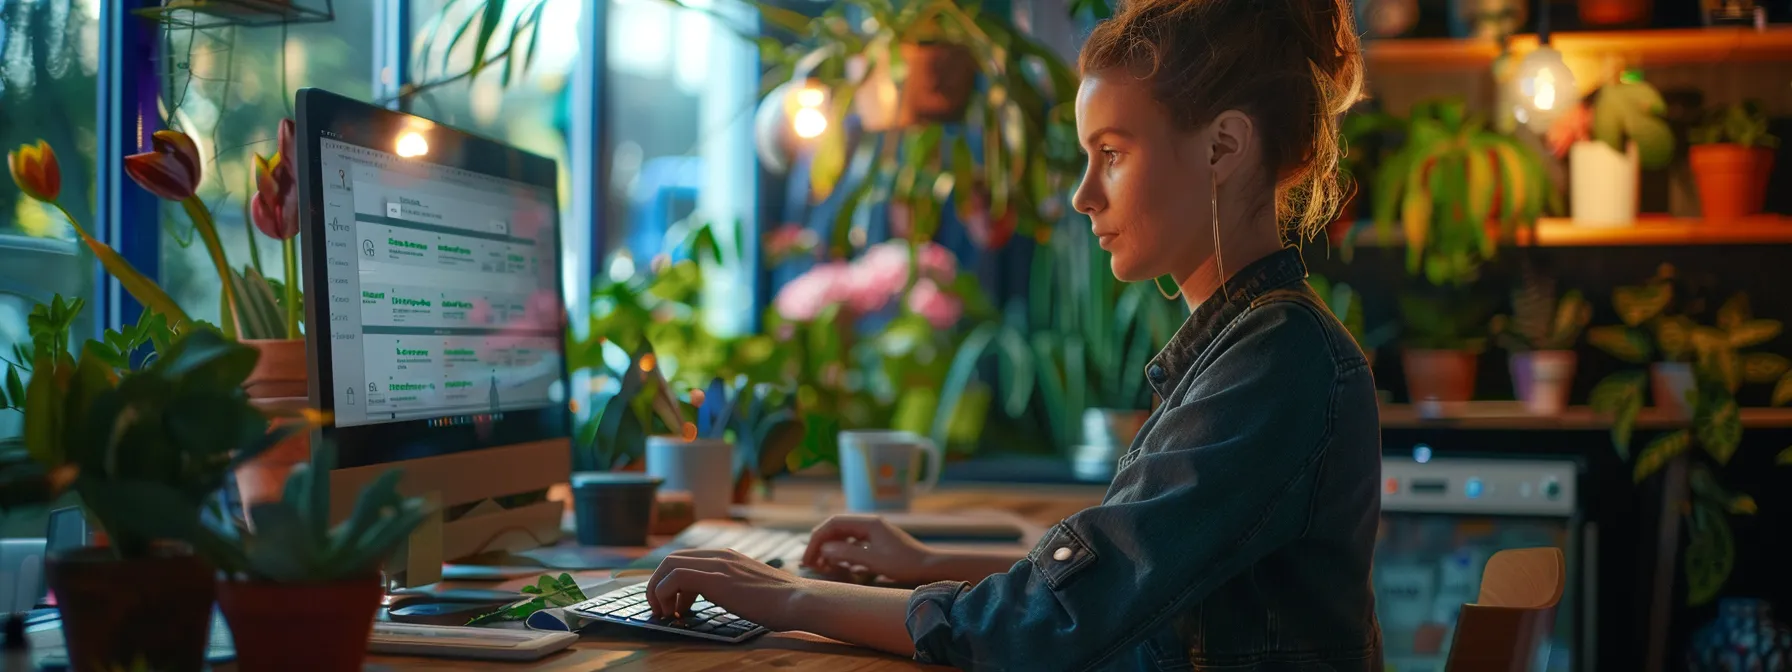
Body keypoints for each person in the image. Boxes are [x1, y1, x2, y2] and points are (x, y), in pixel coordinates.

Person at [644, 0, 1382, 667]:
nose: (1084, 194)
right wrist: (925, 562)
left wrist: (788, 598)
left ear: (1224, 148)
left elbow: (1052, 620)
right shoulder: (1249, 347)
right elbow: (1115, 581)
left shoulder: (1278, 360)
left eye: (1114, 153)